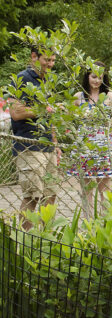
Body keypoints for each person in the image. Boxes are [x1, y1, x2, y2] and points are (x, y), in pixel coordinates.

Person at [9, 47, 59, 228]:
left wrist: (56, 143)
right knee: (32, 197)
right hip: (29, 146)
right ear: (33, 57)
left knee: (50, 195)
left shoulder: (49, 80)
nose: (50, 64)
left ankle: (46, 240)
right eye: (47, 60)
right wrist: (43, 110)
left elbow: (51, 116)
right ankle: (24, 241)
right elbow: (16, 113)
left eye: (53, 60)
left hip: (48, 147)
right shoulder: (23, 78)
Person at [67, 61, 112, 208]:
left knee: (106, 190)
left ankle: (105, 225)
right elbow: (67, 118)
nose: (97, 80)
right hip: (84, 146)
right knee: (86, 190)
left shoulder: (110, 96)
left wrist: (108, 123)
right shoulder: (79, 96)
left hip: (104, 146)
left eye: (100, 77)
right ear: (87, 76)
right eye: (93, 76)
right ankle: (88, 224)